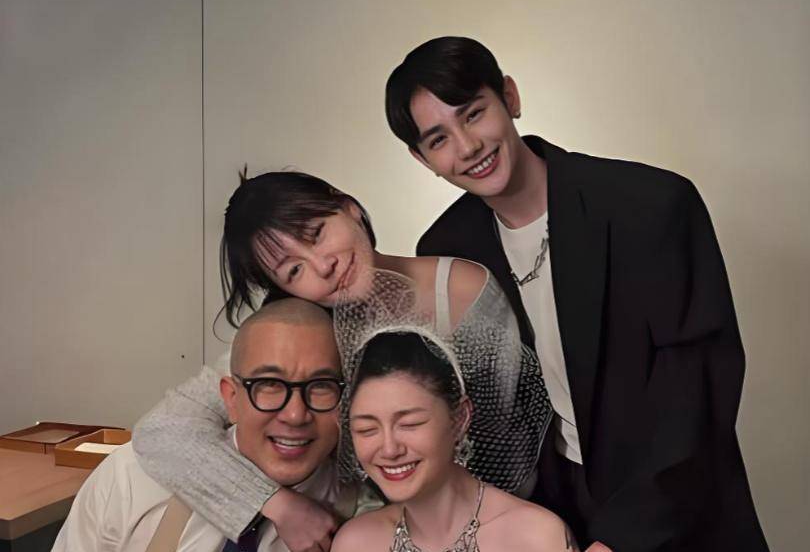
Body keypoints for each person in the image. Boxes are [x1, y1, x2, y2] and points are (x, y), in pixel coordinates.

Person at [385, 36, 768, 551]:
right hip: (553, 516)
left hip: (678, 505)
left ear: (510, 97)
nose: (468, 147)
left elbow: (699, 387)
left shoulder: (651, 204)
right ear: (421, 158)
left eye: (474, 114)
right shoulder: (448, 250)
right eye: (439, 140)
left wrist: (621, 539)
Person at [132, 171, 552, 551]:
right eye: (294, 271)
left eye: (317, 234)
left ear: (347, 206)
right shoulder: (306, 335)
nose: (324, 266)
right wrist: (276, 504)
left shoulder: (461, 289)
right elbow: (165, 430)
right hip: (359, 526)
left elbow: (506, 447)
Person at [55, 299, 379, 551]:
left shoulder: (369, 522)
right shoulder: (129, 480)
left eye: (321, 386)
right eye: (268, 384)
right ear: (231, 398)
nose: (295, 415)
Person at [332, 331, 576, 552]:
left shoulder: (535, 536)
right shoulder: (356, 543)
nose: (389, 449)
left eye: (410, 424)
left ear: (459, 418)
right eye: (366, 429)